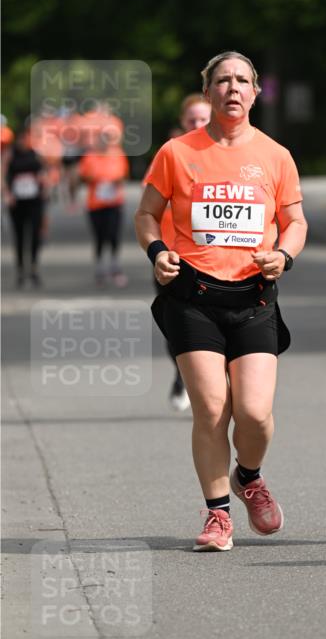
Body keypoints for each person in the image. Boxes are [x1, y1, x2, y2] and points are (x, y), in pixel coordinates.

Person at [135, 51, 307, 552]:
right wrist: (158, 251)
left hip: (253, 296)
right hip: (193, 296)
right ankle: (217, 516)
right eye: (223, 80)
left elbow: (295, 222)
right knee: (211, 408)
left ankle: (248, 475)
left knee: (254, 414)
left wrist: (284, 255)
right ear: (207, 91)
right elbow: (147, 214)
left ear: (256, 92)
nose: (233, 88)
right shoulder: (176, 152)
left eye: (242, 81)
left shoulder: (275, 155)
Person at [144, 93, 212, 412]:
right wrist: (158, 251)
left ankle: (214, 384)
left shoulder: (234, 156)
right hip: (174, 260)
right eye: (192, 120)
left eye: (203, 119)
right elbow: (148, 211)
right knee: (179, 328)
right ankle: (183, 375)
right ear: (182, 124)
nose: (198, 125)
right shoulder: (170, 156)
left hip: (221, 263)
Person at [78, 131, 130, 287]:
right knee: (99, 236)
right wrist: (95, 178)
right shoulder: (89, 157)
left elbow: (124, 174)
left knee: (113, 234)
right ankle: (100, 268)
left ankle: (115, 267)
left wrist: (115, 180)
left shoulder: (118, 154)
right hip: (96, 203)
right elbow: (83, 177)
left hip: (114, 202)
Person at [2, 131, 48, 287]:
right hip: (17, 201)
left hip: (34, 200)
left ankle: (34, 268)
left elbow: (44, 172)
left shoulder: (35, 154)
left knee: (35, 235)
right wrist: (7, 194)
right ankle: (21, 269)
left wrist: (45, 187)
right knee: (19, 236)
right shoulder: (10, 154)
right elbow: (2, 174)